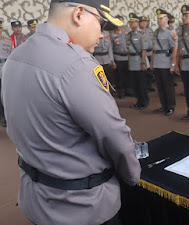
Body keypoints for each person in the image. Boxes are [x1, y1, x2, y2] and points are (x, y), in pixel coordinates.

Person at [1, 0, 141, 224]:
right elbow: (113, 134)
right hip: (82, 207)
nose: (103, 35)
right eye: (101, 24)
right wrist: (133, 175)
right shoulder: (76, 64)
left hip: (36, 198)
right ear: (78, 14)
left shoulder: (16, 56)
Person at [150, 9, 178, 116]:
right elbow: (154, 49)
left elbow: (175, 49)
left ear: (167, 19)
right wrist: (152, 62)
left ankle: (170, 107)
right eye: (158, 18)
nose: (159, 20)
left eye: (161, 18)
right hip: (157, 62)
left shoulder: (171, 32)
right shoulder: (155, 32)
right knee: (160, 86)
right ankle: (163, 105)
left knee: (168, 86)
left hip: (166, 63)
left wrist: (173, 64)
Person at [127, 13, 149, 109]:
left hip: (140, 61)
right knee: (135, 84)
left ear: (137, 23)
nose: (130, 24)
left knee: (141, 84)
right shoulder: (129, 35)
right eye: (130, 22)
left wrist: (143, 63)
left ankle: (144, 102)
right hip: (132, 61)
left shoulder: (142, 35)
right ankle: (138, 101)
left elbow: (144, 50)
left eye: (132, 22)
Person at [110, 15, 130, 99]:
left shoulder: (127, 31)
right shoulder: (112, 33)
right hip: (118, 57)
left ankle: (128, 91)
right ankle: (121, 92)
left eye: (122, 21)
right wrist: (112, 60)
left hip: (128, 57)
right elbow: (110, 48)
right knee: (119, 76)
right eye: (119, 22)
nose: (121, 24)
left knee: (128, 75)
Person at [0, 20, 12, 128]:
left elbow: (12, 55)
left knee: (5, 95)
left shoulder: (7, 41)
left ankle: (6, 118)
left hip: (5, 68)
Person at [140, 16, 155, 92]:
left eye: (145, 22)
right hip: (143, 54)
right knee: (144, 71)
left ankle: (150, 85)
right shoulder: (139, 32)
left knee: (150, 71)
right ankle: (145, 86)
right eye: (142, 22)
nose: (144, 23)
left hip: (150, 52)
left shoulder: (149, 31)